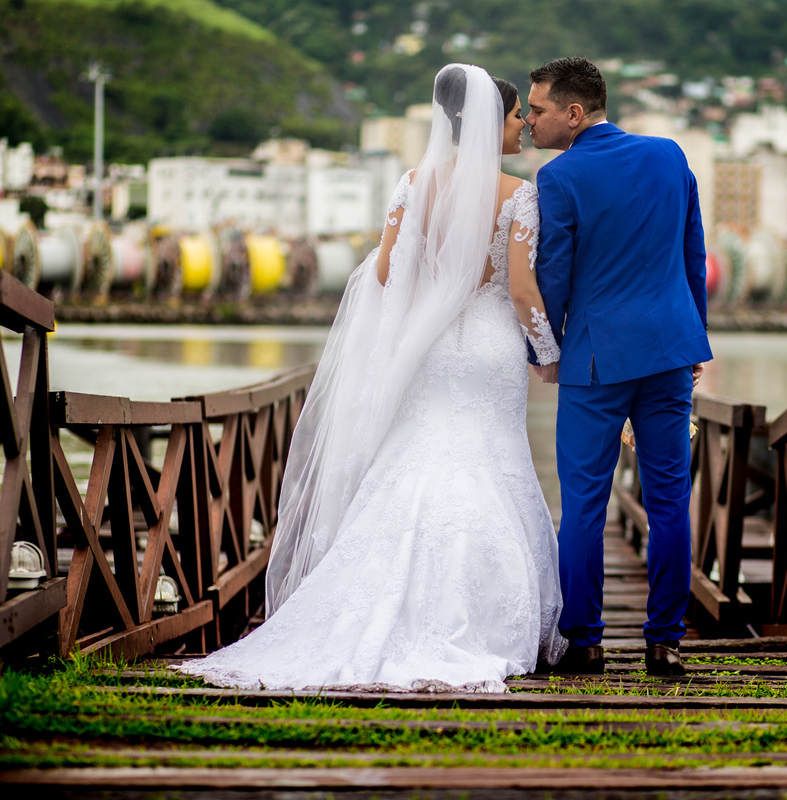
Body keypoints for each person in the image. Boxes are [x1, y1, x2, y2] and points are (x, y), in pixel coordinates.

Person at [177, 64, 566, 692]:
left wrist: (436, 292)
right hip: (492, 347)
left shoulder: (413, 184)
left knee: (416, 457)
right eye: (518, 114)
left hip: (428, 349)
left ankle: (372, 602)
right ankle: (484, 612)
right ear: (493, 121)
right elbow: (522, 291)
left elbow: (386, 272)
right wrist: (550, 353)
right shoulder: (518, 193)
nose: (523, 125)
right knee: (491, 458)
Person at [526, 57, 712, 676]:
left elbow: (552, 275)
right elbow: (693, 252)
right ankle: (665, 641)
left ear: (574, 113)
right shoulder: (669, 155)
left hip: (595, 359)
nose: (529, 120)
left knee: (583, 504)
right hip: (668, 351)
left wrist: (546, 351)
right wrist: (694, 340)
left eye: (538, 109)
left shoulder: (560, 178)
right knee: (669, 503)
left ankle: (586, 641)